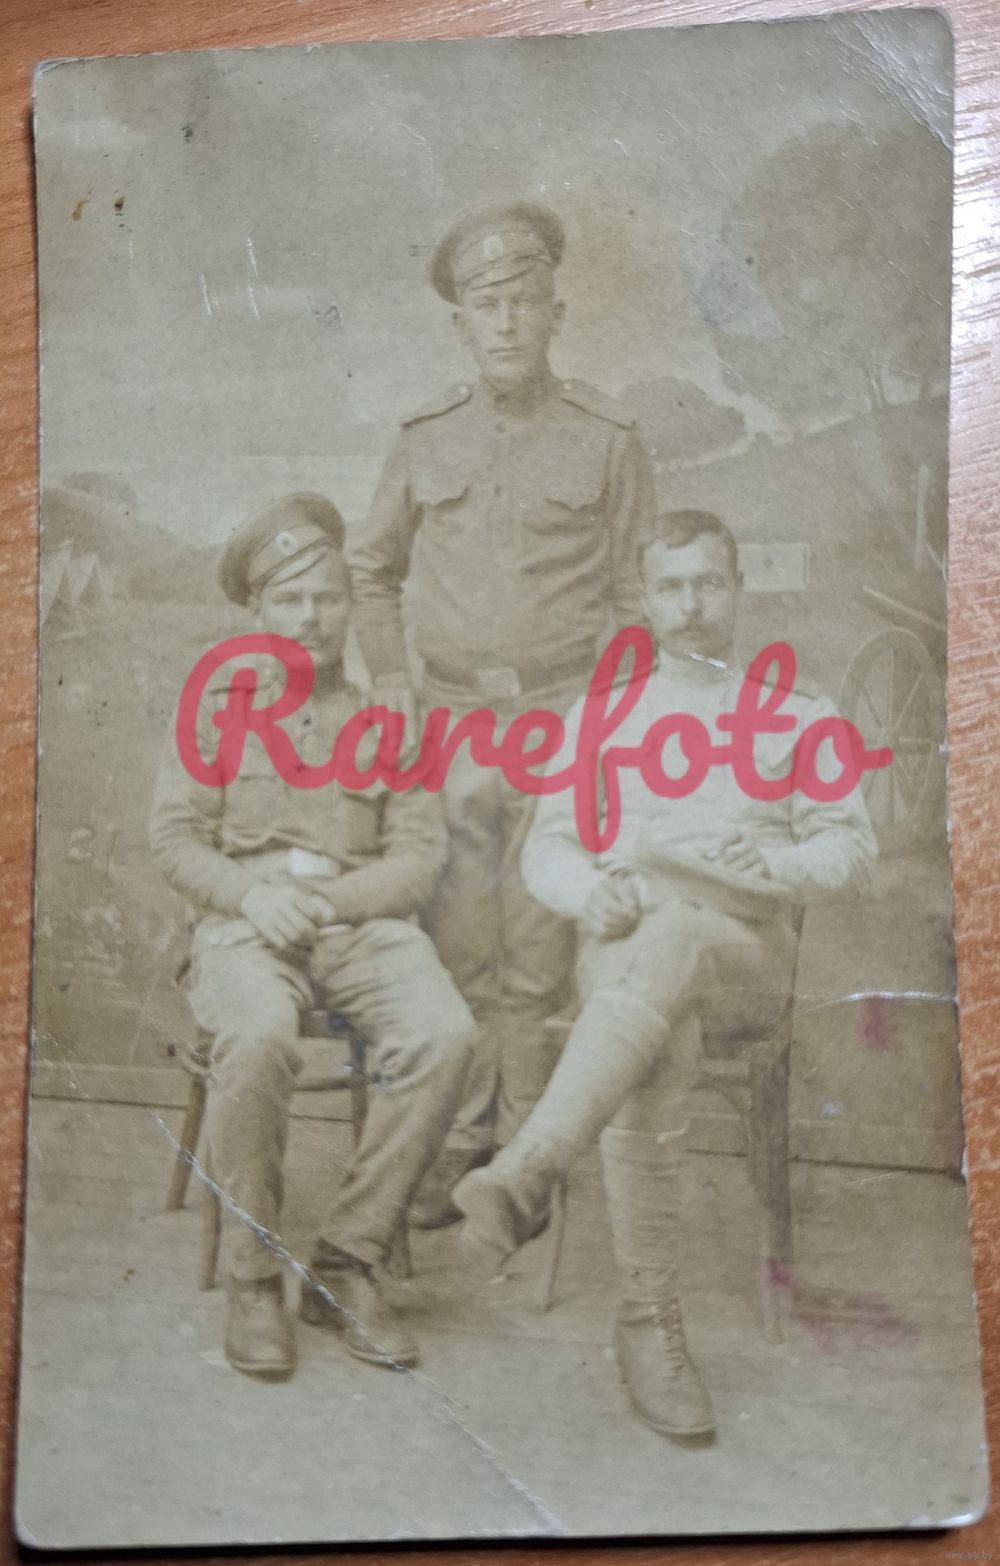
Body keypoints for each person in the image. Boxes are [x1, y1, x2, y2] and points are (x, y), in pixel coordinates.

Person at [453, 509, 878, 1441]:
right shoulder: (603, 716)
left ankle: (532, 1167)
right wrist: (589, 894)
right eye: (671, 587)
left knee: (678, 937)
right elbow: (550, 849)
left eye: (709, 584)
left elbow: (852, 846)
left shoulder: (800, 712)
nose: (691, 606)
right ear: (644, 601)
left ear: (738, 589)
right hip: (627, 949)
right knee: (659, 1027)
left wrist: (777, 863)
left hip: (746, 959)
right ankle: (648, 1319)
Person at [348, 202, 655, 1224]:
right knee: (456, 940)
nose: (509, 322)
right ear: (462, 325)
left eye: (526, 301)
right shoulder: (423, 437)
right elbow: (370, 568)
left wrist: (604, 726)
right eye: (489, 306)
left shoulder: (608, 440)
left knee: (535, 951)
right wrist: (390, 679)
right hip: (447, 727)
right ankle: (461, 1146)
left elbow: (636, 601)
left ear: (556, 312)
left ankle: (524, 1163)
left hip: (562, 724)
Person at [149, 494, 476, 1381]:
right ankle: (254, 1275)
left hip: (357, 921)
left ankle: (346, 1261)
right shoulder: (214, 706)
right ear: (257, 610)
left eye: (328, 598)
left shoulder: (388, 717)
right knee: (257, 1036)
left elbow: (418, 858)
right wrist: (253, 897)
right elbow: (174, 838)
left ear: (349, 606)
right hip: (244, 924)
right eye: (289, 600)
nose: (310, 618)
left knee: (445, 1035)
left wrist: (326, 904)